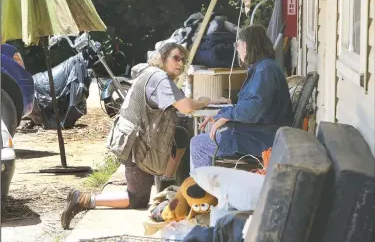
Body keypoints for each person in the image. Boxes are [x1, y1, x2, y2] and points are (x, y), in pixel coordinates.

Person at [61, 43, 219, 230]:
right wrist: (204, 101)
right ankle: (83, 199)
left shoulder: (154, 74)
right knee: (137, 199)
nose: (180, 63)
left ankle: (165, 184)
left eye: (183, 60)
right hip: (134, 145)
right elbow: (186, 107)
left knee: (180, 134)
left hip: (138, 139)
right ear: (162, 58)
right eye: (176, 58)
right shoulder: (159, 78)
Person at [190, 25, 294, 170]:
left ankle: (200, 191)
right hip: (262, 131)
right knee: (202, 140)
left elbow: (254, 109)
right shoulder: (264, 67)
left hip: (264, 137)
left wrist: (226, 117)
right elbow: (250, 106)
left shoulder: (265, 70)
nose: (236, 49)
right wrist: (220, 114)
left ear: (245, 45)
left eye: (237, 44)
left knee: (198, 144)